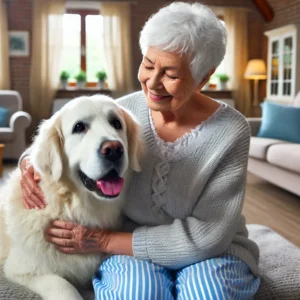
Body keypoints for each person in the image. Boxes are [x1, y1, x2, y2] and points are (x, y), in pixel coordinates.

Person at [19, 2, 261, 299]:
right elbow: (68, 138)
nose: (153, 82)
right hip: (130, 243)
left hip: (209, 250)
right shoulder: (124, 111)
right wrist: (28, 163)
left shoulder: (231, 130)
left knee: (209, 292)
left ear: (204, 77)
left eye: (171, 74)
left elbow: (208, 235)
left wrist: (104, 239)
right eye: (148, 64)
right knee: (136, 292)